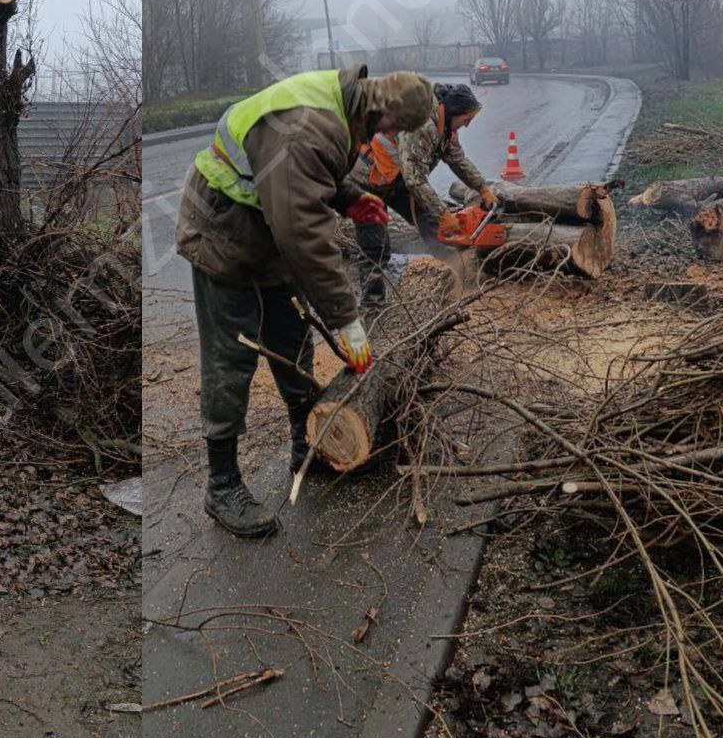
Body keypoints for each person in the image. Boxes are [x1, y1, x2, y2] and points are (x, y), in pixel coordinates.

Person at [175, 66, 435, 537]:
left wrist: (349, 197)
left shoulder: (345, 103)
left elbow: (299, 177)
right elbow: (301, 228)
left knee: (291, 337)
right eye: (395, 128)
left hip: (266, 229)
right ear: (385, 109)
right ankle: (223, 485)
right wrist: (347, 319)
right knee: (231, 359)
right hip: (224, 235)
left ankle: (308, 446)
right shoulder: (311, 127)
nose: (392, 136)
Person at [353, 81, 496, 302]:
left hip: (396, 175)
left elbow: (457, 160)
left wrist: (482, 188)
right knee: (375, 243)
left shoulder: (446, 126)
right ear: (452, 113)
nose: (467, 126)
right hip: (367, 176)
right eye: (466, 120)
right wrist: (443, 215)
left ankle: (462, 276)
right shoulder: (421, 125)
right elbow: (415, 180)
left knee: (430, 224)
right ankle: (373, 305)